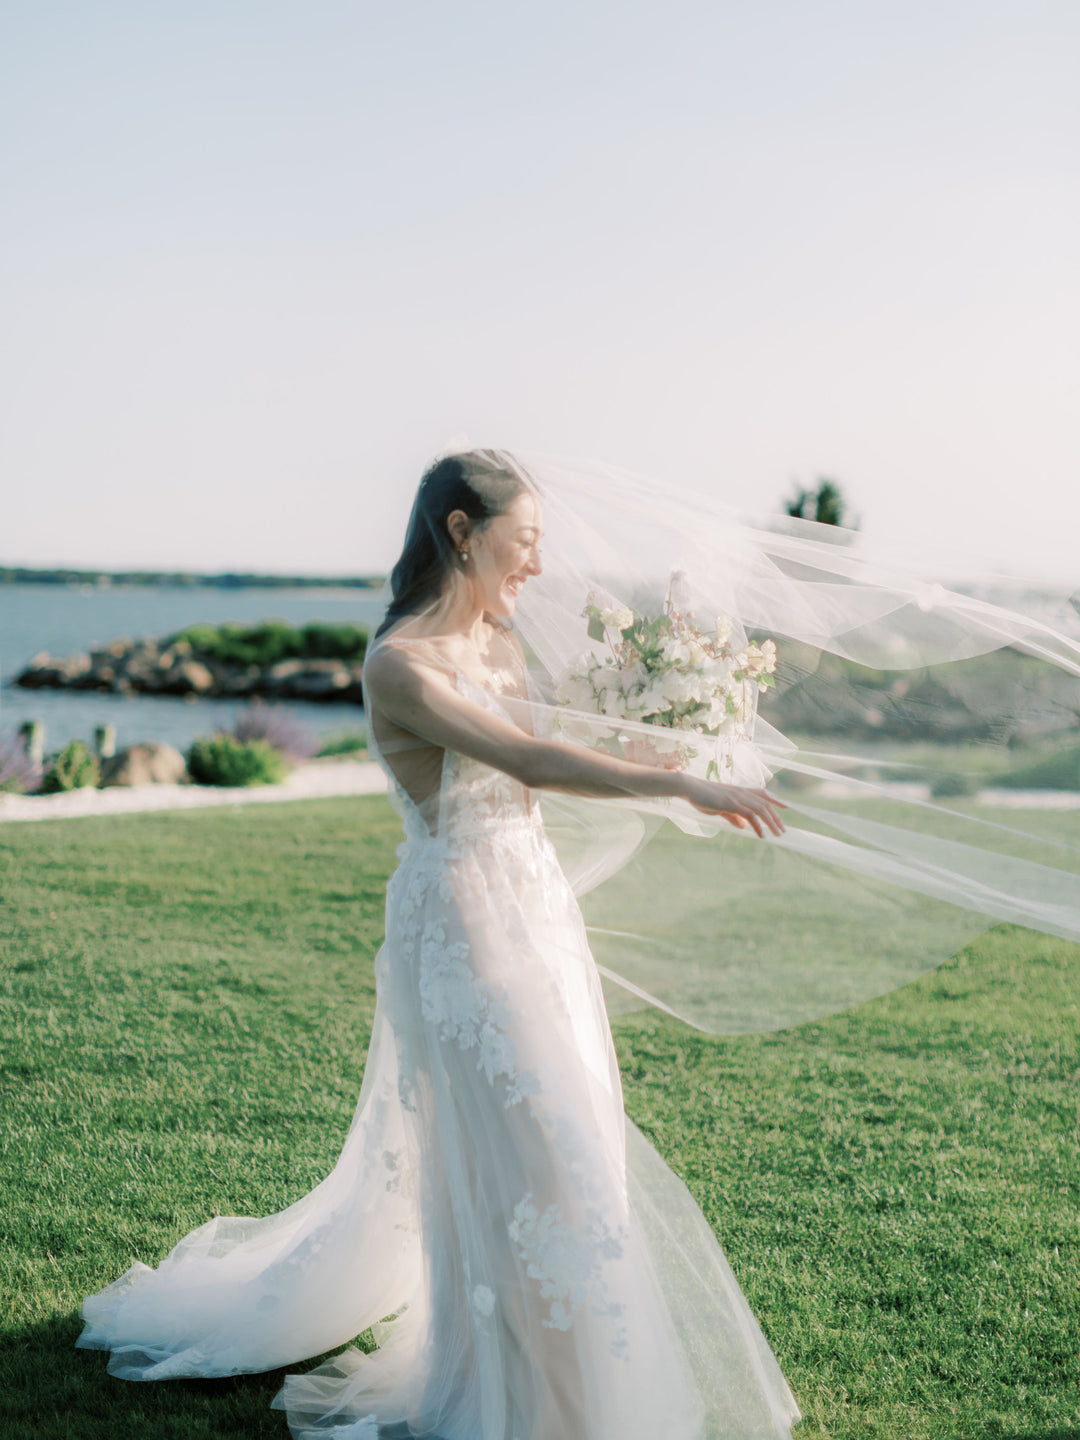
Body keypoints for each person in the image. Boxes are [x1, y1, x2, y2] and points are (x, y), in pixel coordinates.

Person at [76, 450, 801, 1440]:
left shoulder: (502, 645)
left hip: (536, 906)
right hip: (462, 925)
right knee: (538, 1151)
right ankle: (536, 1400)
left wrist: (657, 738)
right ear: (462, 532)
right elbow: (525, 754)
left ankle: (569, 1387)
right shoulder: (399, 665)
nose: (539, 565)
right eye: (526, 541)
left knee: (569, 1138)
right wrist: (683, 787)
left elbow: (548, 779)